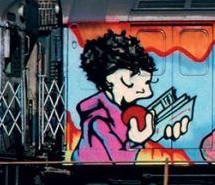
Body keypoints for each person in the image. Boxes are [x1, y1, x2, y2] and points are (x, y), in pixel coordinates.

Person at [74, 30, 189, 161]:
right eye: (145, 83)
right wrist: (135, 142)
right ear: (123, 78)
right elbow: (116, 161)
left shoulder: (122, 112)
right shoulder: (97, 121)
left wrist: (161, 130)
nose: (149, 93)